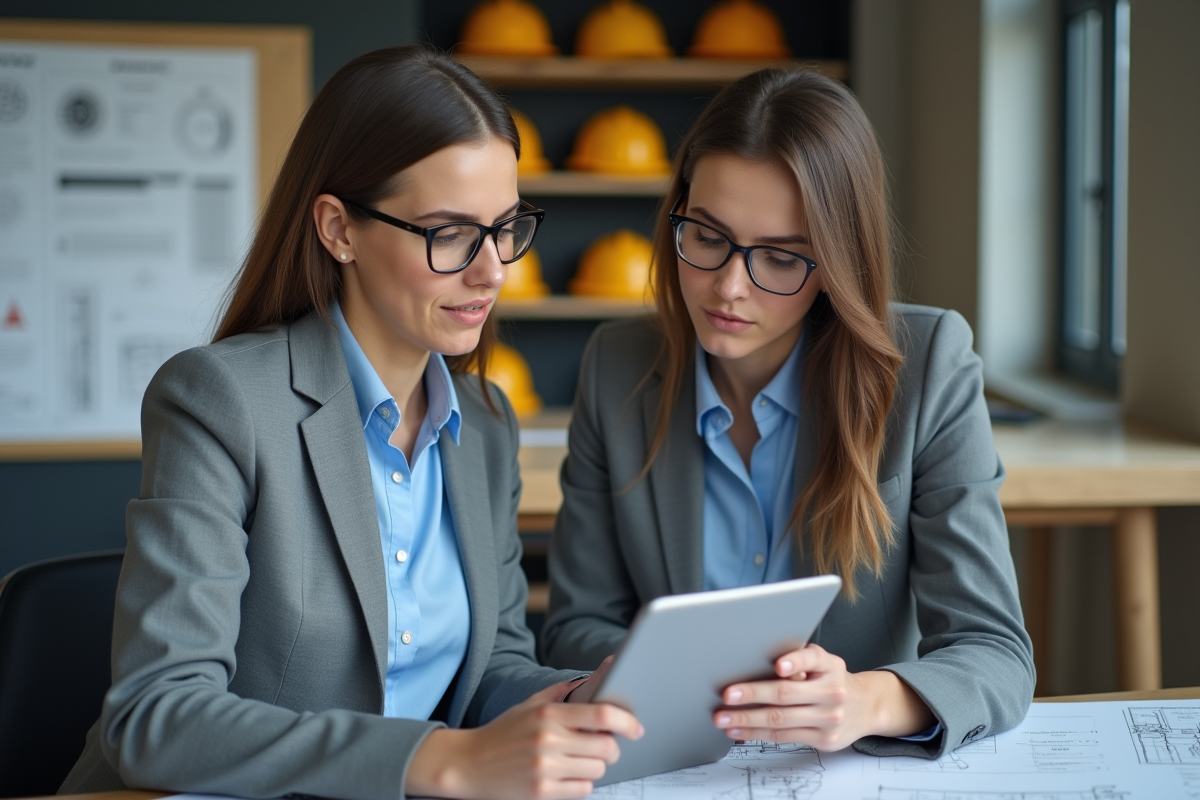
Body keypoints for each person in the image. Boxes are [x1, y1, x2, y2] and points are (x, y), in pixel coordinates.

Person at [60, 46, 640, 800]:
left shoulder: (486, 426)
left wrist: (578, 697)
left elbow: (491, 665)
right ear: (338, 229)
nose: (493, 269)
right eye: (450, 234)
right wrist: (437, 760)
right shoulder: (218, 400)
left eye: (504, 227)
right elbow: (156, 715)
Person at [539, 68, 1034, 759]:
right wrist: (663, 679)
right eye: (706, 237)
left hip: (848, 770)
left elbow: (995, 652)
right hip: (674, 763)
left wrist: (865, 700)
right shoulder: (616, 364)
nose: (728, 287)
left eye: (778, 257)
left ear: (836, 262)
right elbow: (575, 626)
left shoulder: (929, 364)